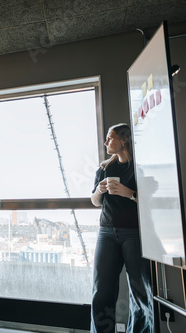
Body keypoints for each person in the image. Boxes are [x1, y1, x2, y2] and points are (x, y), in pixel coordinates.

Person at [90, 123, 153, 332]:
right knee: (101, 292)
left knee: (141, 293)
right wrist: (99, 190)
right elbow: (95, 202)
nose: (106, 142)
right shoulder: (104, 168)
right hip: (106, 232)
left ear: (124, 140)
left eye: (110, 137)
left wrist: (130, 193)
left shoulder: (141, 167)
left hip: (135, 234)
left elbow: (153, 202)